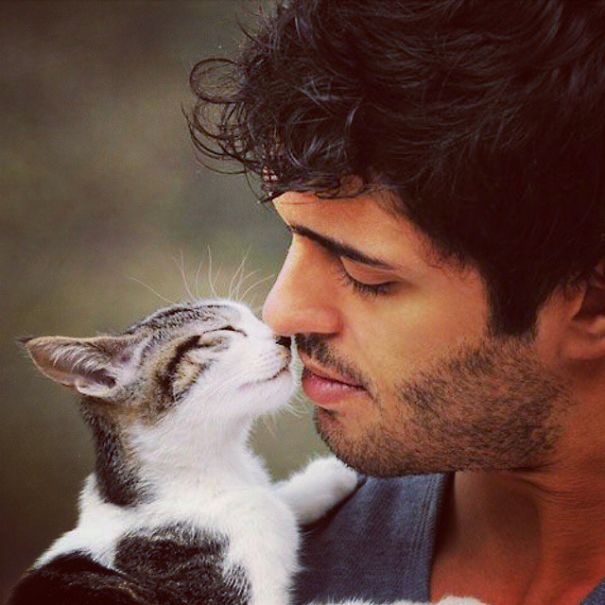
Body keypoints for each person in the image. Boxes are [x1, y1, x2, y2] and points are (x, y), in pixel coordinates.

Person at [187, 1, 605, 603]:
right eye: (294, 239)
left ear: (592, 306)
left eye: (365, 275)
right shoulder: (245, 574)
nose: (280, 313)